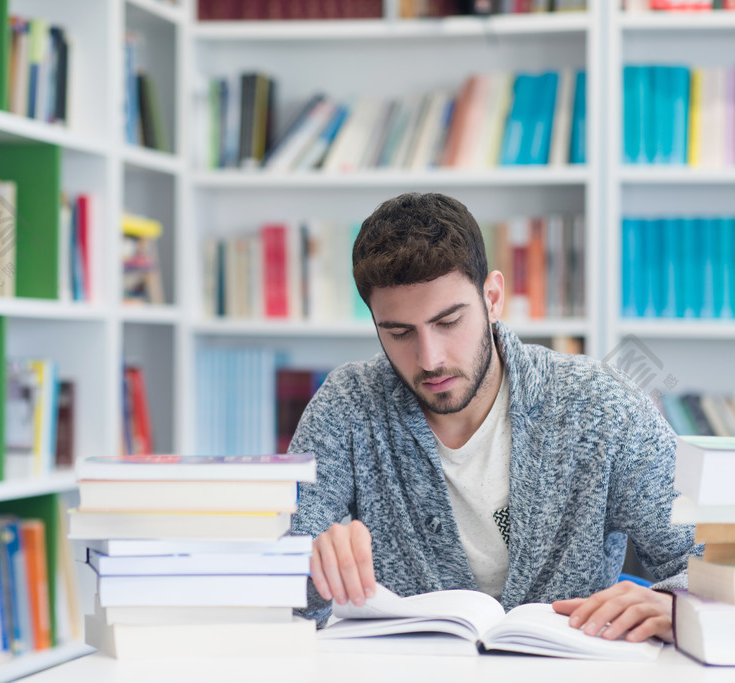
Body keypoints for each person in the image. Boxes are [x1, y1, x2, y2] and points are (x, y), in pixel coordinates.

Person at [289, 192, 699, 644]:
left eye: (449, 322)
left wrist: (674, 604)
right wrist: (311, 566)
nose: (430, 358)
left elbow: (708, 564)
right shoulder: (346, 408)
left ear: (493, 298)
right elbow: (279, 591)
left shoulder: (601, 407)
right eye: (400, 333)